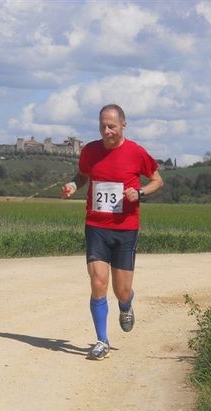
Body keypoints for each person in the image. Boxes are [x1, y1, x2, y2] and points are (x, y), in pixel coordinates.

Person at [60, 104, 163, 361]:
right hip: (96, 226)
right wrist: (74, 184)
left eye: (112, 127)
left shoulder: (136, 152)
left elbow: (157, 181)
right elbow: (83, 175)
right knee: (97, 283)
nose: (106, 131)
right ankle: (101, 340)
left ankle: (126, 306)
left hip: (126, 228)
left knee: (122, 291)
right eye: (102, 126)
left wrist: (139, 193)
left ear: (123, 125)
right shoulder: (90, 151)